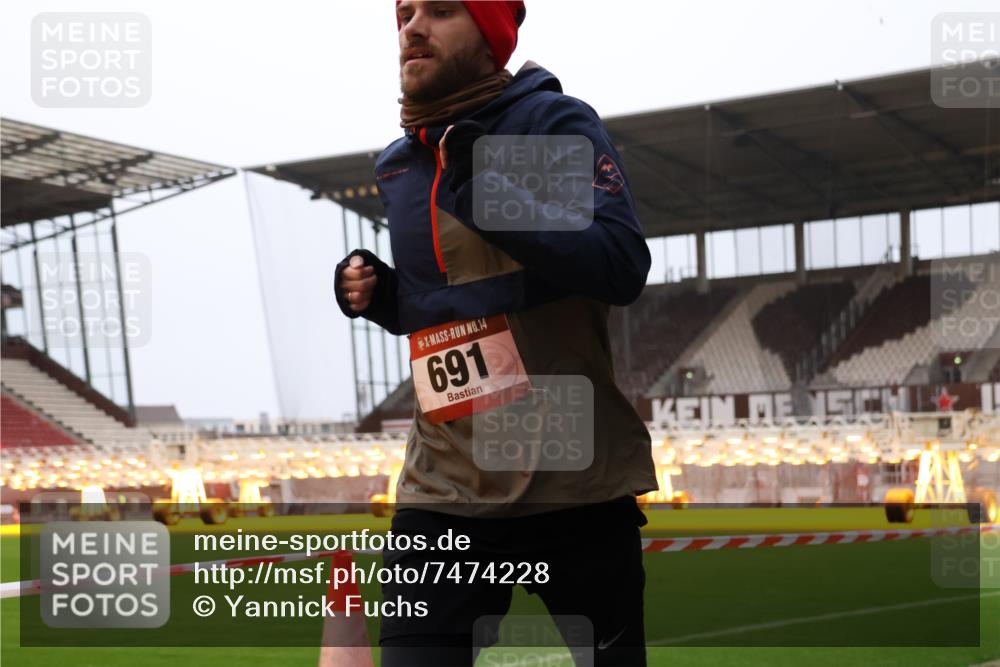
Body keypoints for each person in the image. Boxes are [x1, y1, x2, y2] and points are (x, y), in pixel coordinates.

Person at [335, 2, 657, 664]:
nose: (412, 27)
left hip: (573, 486)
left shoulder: (546, 127)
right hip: (443, 487)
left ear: (491, 37)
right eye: (405, 12)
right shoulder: (398, 165)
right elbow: (451, 308)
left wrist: (490, 191)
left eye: (443, 10)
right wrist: (385, 296)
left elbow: (619, 265)